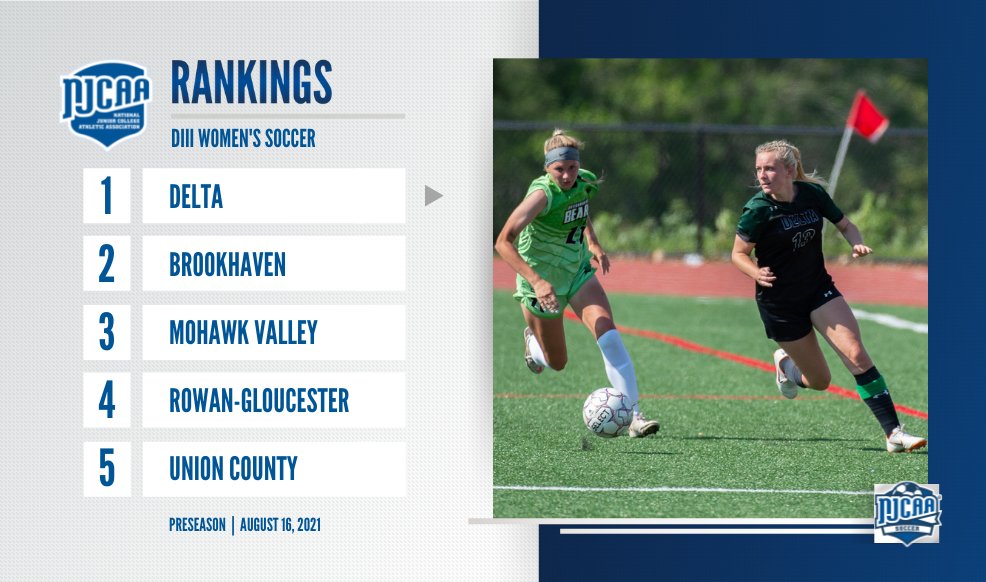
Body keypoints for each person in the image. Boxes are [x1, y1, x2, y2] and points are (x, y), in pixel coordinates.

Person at [731, 139, 927, 453]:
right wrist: (755, 273)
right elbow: (738, 254)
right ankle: (786, 367)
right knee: (821, 381)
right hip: (780, 303)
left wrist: (856, 243)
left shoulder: (812, 195)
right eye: (758, 169)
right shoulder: (758, 209)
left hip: (818, 289)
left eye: (769, 168)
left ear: (789, 170)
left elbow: (846, 225)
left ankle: (894, 433)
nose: (763, 175)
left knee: (857, 355)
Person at [494, 129, 659, 438]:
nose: (568, 175)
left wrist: (593, 242)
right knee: (557, 362)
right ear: (547, 167)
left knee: (608, 335)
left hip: (578, 272)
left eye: (572, 167)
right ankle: (533, 345)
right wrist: (538, 282)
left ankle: (634, 415)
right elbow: (502, 242)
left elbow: (579, 209)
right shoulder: (541, 196)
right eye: (560, 169)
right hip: (542, 285)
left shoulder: (583, 180)